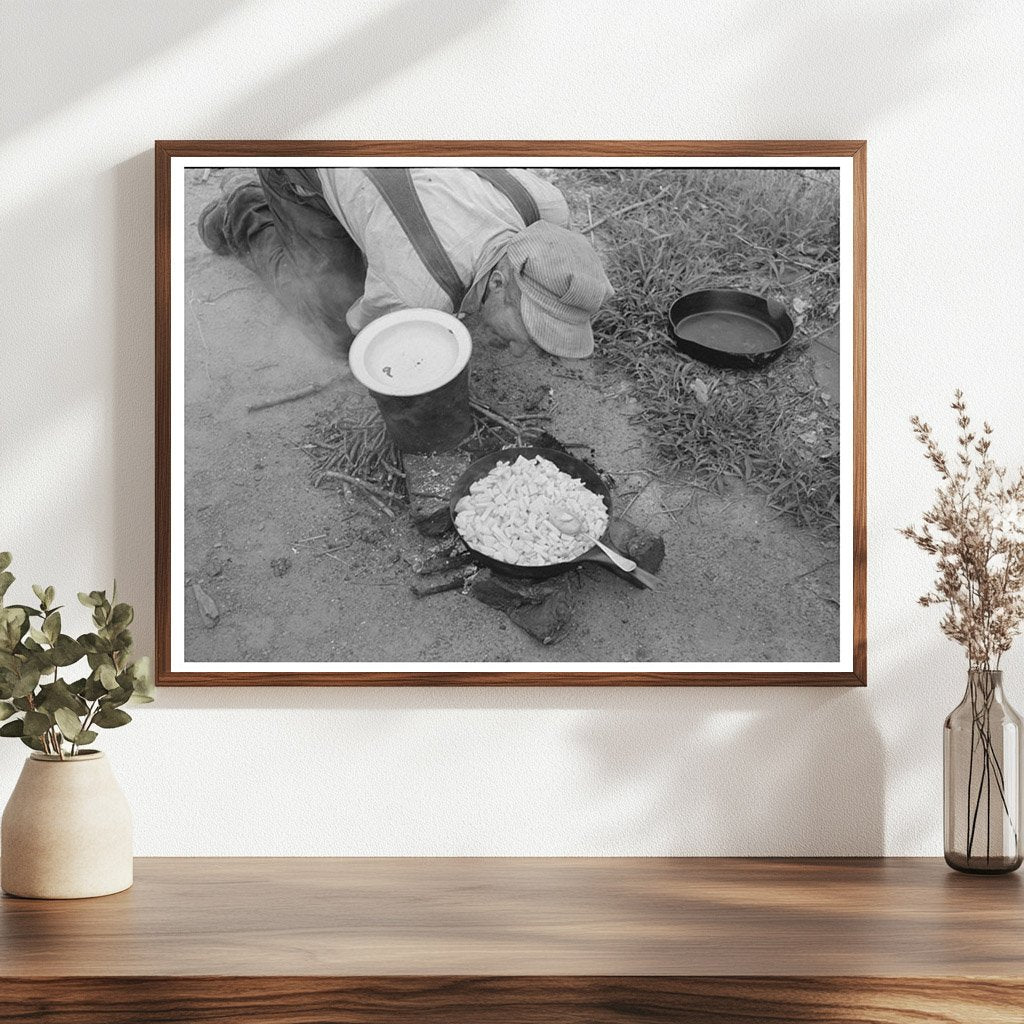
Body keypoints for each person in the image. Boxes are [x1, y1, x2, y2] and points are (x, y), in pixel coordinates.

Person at [197, 167, 614, 360]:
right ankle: (243, 208)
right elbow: (370, 332)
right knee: (335, 328)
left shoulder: (546, 206)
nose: (523, 351)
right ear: (500, 281)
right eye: (529, 330)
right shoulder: (414, 294)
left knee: (380, 242)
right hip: (303, 159)